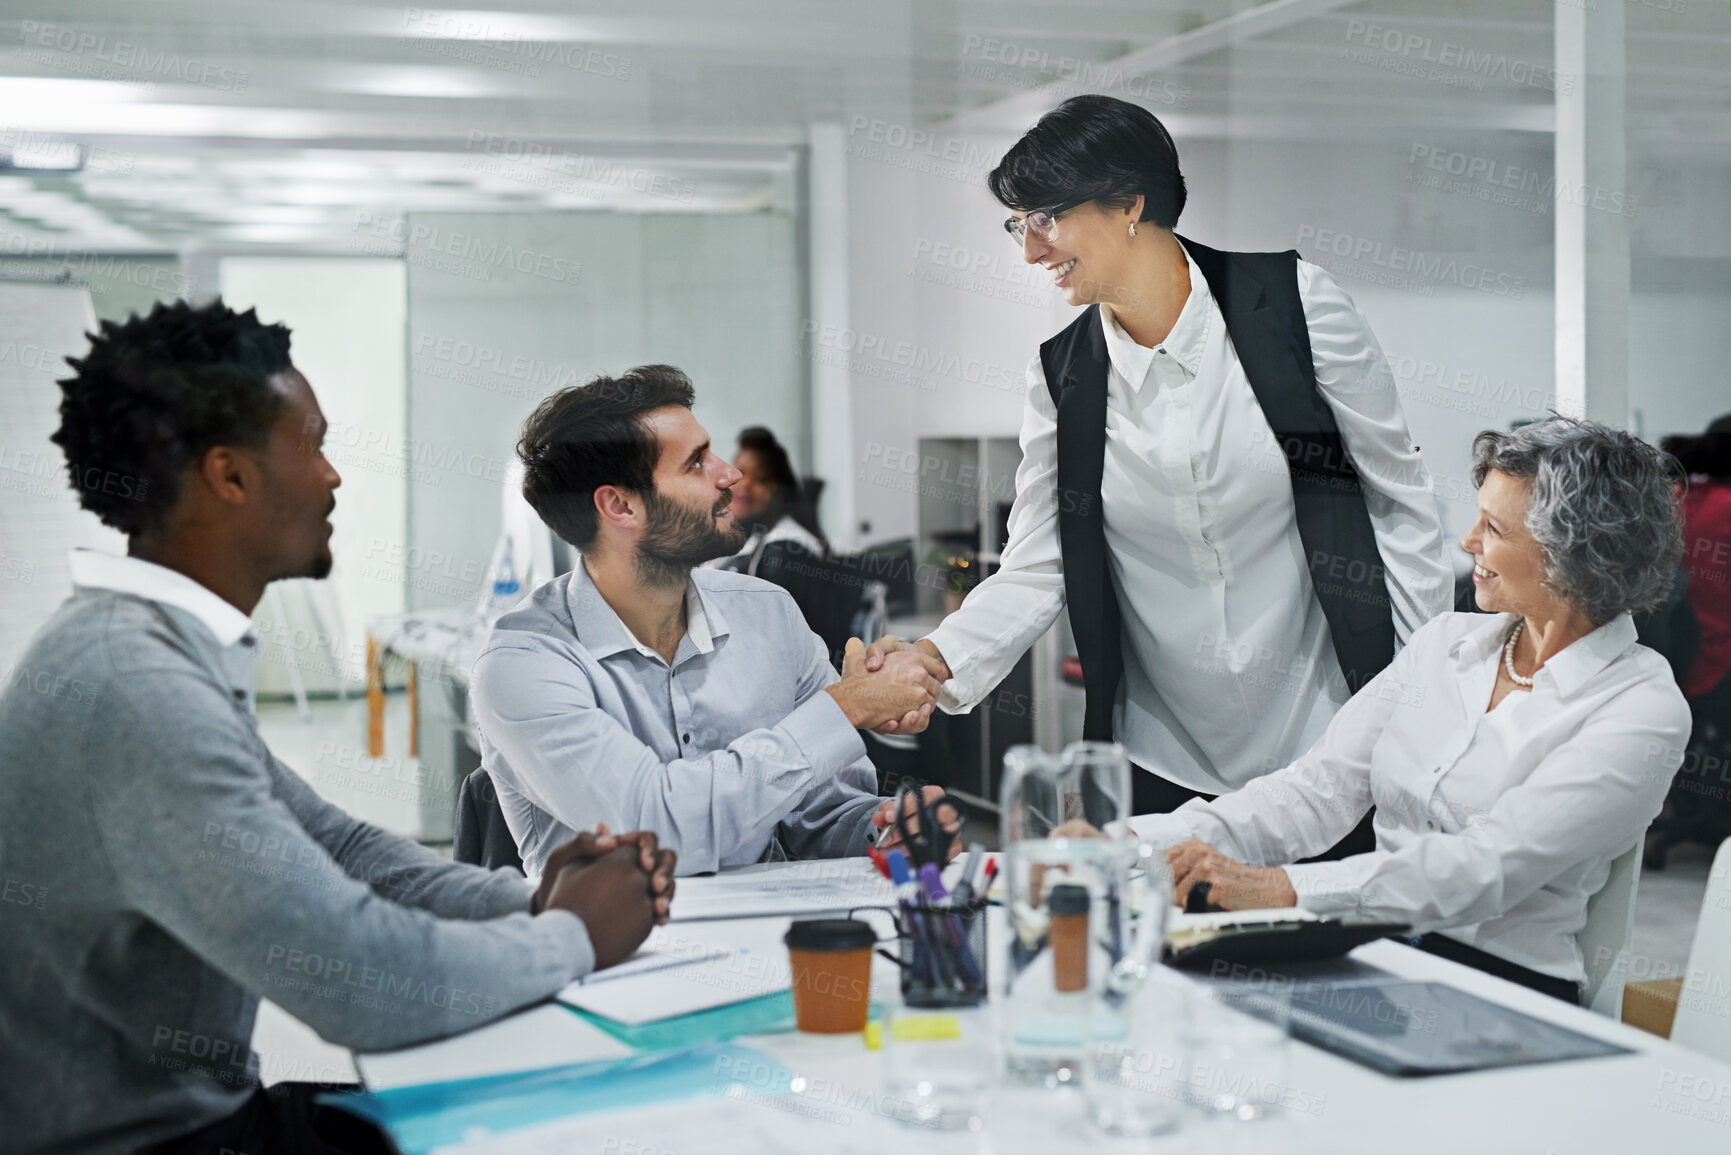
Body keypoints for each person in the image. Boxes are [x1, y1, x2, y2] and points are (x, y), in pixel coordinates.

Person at [0, 300, 676, 1155]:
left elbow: (338, 847)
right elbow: (362, 980)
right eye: (311, 444)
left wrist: (530, 896)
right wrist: (573, 935)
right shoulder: (136, 687)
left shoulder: (141, 645)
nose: (332, 476)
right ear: (229, 476)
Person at [865, 95, 1451, 847]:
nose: (1030, 252)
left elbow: (1398, 504)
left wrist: (1424, 699)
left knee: (1334, 953)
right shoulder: (1062, 375)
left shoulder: (1295, 311)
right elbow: (1038, 562)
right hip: (1159, 754)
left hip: (1328, 740)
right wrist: (934, 658)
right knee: (1162, 959)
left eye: (1043, 218)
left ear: (1129, 205)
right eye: (1019, 225)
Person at [1128, 417, 1690, 1003]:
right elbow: (1309, 794)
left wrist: (1279, 888)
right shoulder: (1444, 645)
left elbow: (1485, 869)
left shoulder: (1640, 709)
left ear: (1574, 555)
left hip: (1497, 989)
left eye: (1493, 528)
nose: (1469, 541)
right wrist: (1128, 846)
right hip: (1371, 955)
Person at [470, 365, 953, 878]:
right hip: (616, 952)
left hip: (769, 942)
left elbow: (823, 817)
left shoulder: (770, 614)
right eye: (696, 464)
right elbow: (655, 830)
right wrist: (848, 705)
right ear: (620, 504)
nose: (730, 474)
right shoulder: (521, 665)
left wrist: (885, 832)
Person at [710, 425, 826, 574]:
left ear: (780, 490)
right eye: (740, 472)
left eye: (761, 479)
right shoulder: (734, 536)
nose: (746, 485)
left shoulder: (784, 550)